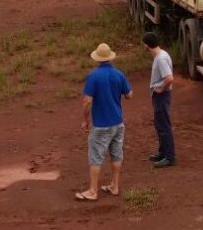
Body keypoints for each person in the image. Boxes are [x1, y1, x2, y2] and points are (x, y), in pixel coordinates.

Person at [75, 43, 133, 201]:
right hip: (118, 122)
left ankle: (93, 191)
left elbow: (87, 101)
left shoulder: (93, 76)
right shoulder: (118, 74)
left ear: (97, 59)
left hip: (101, 124)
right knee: (116, 154)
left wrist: (85, 120)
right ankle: (115, 185)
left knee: (95, 156)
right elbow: (130, 95)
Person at [142, 32, 176, 168]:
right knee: (160, 124)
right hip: (160, 96)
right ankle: (163, 152)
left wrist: (161, 89)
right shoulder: (162, 55)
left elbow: (169, 78)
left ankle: (169, 157)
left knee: (163, 125)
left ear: (146, 45)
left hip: (161, 96)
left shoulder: (160, 59)